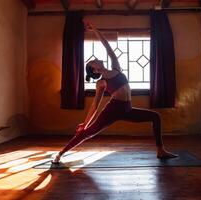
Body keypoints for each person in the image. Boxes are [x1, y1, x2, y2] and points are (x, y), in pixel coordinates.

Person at [52, 21, 177, 164]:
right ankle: (61, 153)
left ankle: (160, 151)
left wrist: (95, 29)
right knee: (87, 133)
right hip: (113, 110)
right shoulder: (101, 83)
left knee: (155, 117)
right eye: (93, 62)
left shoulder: (116, 68)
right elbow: (95, 106)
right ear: (95, 70)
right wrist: (85, 124)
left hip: (127, 109)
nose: (96, 59)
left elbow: (108, 47)